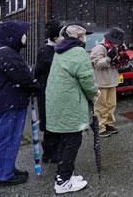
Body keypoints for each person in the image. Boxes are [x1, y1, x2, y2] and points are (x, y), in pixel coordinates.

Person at [46, 23, 99, 193]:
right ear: (79, 37)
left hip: (58, 102)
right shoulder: (78, 52)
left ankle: (63, 175)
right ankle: (63, 182)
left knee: (64, 141)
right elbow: (87, 80)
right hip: (69, 104)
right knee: (72, 142)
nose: (86, 38)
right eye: (84, 35)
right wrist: (94, 94)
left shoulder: (60, 50)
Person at [0, 21, 36, 187]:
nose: (25, 36)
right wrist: (36, 86)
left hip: (9, 101)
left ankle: (7, 168)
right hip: (11, 102)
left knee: (7, 138)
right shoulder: (7, 53)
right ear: (13, 35)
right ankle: (4, 174)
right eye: (23, 33)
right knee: (9, 139)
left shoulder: (5, 51)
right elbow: (24, 77)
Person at [34, 20, 64, 163]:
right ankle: (49, 153)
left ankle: (54, 151)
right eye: (61, 35)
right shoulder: (45, 51)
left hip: (54, 91)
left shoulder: (57, 50)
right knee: (49, 123)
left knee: (56, 122)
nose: (63, 38)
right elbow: (41, 71)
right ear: (54, 37)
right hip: (46, 92)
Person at [91, 27, 128, 138]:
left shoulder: (118, 48)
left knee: (111, 105)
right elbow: (95, 63)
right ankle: (100, 128)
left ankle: (108, 124)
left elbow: (120, 65)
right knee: (101, 106)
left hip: (112, 81)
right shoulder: (100, 48)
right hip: (101, 82)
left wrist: (125, 59)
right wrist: (108, 58)